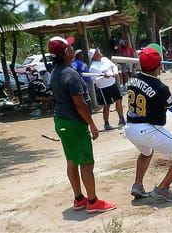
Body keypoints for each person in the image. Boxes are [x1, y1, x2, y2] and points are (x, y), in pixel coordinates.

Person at [48, 36, 116, 213]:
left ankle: (79, 198)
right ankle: (93, 202)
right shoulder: (70, 74)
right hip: (73, 123)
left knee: (72, 160)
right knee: (86, 162)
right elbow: (80, 104)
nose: (72, 49)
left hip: (61, 120)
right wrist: (92, 124)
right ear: (66, 53)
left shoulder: (56, 72)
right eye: (69, 47)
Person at [125, 47, 172, 201]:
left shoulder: (132, 79)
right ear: (159, 66)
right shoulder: (160, 88)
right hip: (147, 129)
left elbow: (149, 79)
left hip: (130, 128)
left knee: (146, 153)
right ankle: (162, 188)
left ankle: (138, 185)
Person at [88, 48, 126, 130]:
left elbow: (113, 65)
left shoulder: (105, 59)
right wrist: (103, 76)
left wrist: (115, 72)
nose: (99, 52)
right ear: (94, 56)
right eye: (97, 52)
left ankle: (121, 119)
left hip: (112, 84)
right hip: (103, 88)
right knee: (107, 105)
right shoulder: (93, 67)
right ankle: (106, 123)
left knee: (119, 100)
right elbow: (94, 80)